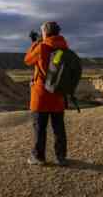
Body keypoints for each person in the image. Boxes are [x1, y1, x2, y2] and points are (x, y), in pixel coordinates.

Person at [24, 21, 68, 166]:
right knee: (58, 128)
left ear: (45, 32)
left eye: (42, 31)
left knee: (40, 128)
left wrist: (35, 43)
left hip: (41, 95)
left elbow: (28, 60)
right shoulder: (64, 47)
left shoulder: (42, 46)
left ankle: (38, 157)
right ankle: (61, 157)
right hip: (58, 95)